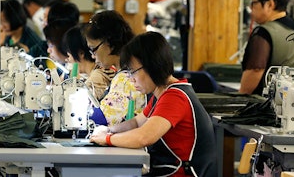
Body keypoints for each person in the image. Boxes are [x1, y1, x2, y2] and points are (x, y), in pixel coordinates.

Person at [90, 31, 217, 176]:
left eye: (133, 72)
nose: (131, 79)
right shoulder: (161, 93)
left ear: (151, 66)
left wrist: (107, 139)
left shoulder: (175, 97)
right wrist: (110, 130)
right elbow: (137, 122)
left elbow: (144, 137)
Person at [239, 0, 294, 95]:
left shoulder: (263, 33)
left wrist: (239, 98)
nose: (251, 8)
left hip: (267, 107)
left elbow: (255, 70)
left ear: (270, 4)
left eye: (254, 3)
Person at [84, 10, 145, 126]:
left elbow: (101, 119)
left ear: (108, 43)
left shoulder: (126, 78)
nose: (93, 56)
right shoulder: (129, 71)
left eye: (93, 49)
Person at [62, 23, 115, 100]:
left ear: (81, 53)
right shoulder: (99, 72)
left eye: (69, 55)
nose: (68, 60)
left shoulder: (97, 78)